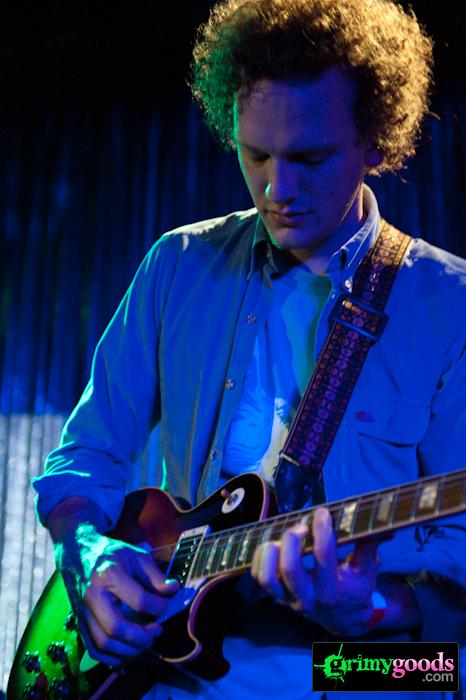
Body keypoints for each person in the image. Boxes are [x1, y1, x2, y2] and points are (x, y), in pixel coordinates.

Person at [33, 0, 466, 698]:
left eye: (309, 158)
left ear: (375, 141)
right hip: (170, 676)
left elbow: (456, 590)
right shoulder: (177, 264)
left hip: (354, 672)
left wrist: (370, 609)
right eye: (255, 153)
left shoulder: (451, 305)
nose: (276, 188)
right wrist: (85, 551)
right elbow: (85, 454)